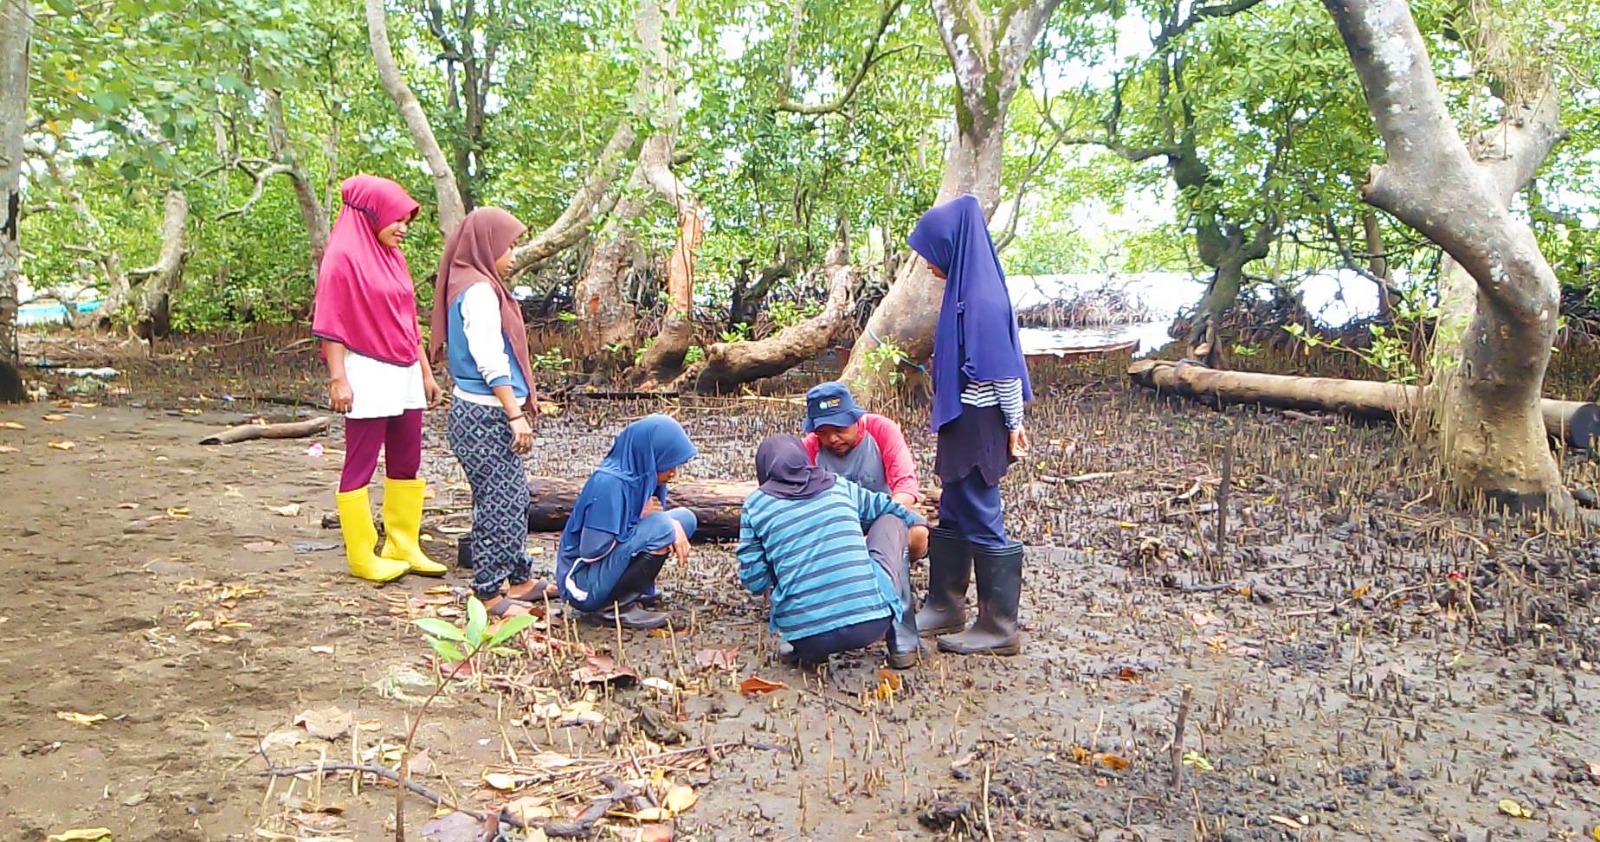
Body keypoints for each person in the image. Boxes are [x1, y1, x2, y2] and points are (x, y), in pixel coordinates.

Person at [906, 194, 1031, 656]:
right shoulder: (965, 290)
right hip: (964, 420)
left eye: (929, 252)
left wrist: (1013, 425)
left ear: (951, 246)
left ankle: (1000, 626)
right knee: (956, 506)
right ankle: (946, 605)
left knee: (980, 511)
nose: (925, 264)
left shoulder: (980, 299)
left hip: (980, 422)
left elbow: (1002, 371)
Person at [312, 174, 446, 583]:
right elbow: (331, 324)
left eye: (408, 220)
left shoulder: (393, 256)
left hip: (403, 366)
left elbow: (408, 320)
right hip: (365, 368)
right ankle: (360, 552)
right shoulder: (342, 257)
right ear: (371, 214)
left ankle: (402, 542)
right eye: (397, 219)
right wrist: (339, 379)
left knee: (407, 456)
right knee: (362, 459)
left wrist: (425, 372)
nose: (403, 228)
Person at [428, 207, 559, 616]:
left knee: (514, 496)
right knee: (497, 502)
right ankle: (487, 591)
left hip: (482, 412)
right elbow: (489, 359)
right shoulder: (479, 291)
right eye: (509, 245)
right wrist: (514, 413)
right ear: (487, 245)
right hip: (484, 415)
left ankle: (519, 578)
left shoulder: (475, 282)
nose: (514, 254)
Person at [737, 436, 929, 669]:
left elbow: (755, 581)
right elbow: (888, 508)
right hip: (871, 625)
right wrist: (920, 524)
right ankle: (903, 643)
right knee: (893, 522)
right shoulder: (837, 485)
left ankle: (806, 648)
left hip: (803, 634)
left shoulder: (756, 505)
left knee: (780, 554)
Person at [555, 415, 698, 630]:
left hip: (606, 567)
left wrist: (662, 523)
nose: (673, 473)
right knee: (663, 526)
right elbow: (592, 550)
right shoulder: (609, 484)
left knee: (685, 519)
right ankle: (614, 608)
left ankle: (633, 591)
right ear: (650, 455)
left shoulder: (644, 477)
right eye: (669, 464)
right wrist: (640, 518)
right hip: (582, 582)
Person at [800, 381, 928, 561]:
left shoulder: (882, 429)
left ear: (855, 418)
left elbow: (905, 486)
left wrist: (876, 536)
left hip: (882, 517)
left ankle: (895, 570)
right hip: (834, 526)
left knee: (918, 535)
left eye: (839, 429)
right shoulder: (810, 445)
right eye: (823, 432)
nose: (832, 439)